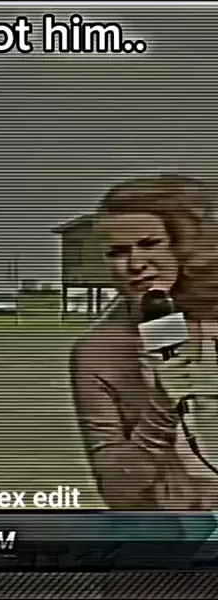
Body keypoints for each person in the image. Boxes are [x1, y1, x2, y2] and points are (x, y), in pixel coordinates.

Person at [70, 173, 218, 511]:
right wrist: (162, 409)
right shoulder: (98, 352)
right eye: (117, 252)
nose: (135, 265)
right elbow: (117, 491)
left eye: (150, 244)